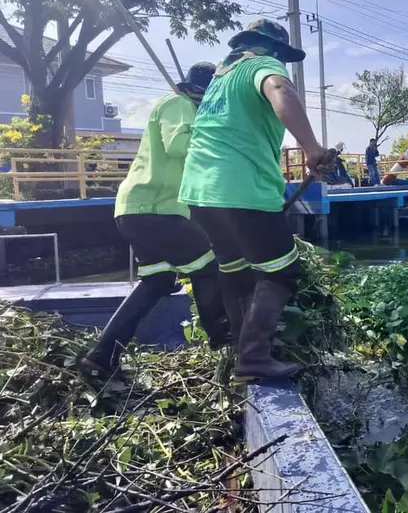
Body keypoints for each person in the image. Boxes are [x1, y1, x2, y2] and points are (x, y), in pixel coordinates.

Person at [178, 20, 328, 383]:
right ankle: (254, 357)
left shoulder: (220, 78)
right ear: (274, 49)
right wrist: (312, 150)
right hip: (241, 188)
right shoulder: (264, 63)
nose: (283, 64)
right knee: (282, 270)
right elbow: (281, 91)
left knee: (236, 272)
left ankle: (238, 347)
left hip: (200, 193)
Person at [80, 63, 230, 379]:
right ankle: (222, 336)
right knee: (209, 265)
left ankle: (103, 354)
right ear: (205, 91)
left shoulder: (192, 109)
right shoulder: (179, 104)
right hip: (152, 208)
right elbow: (180, 146)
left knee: (158, 282)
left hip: (144, 210)